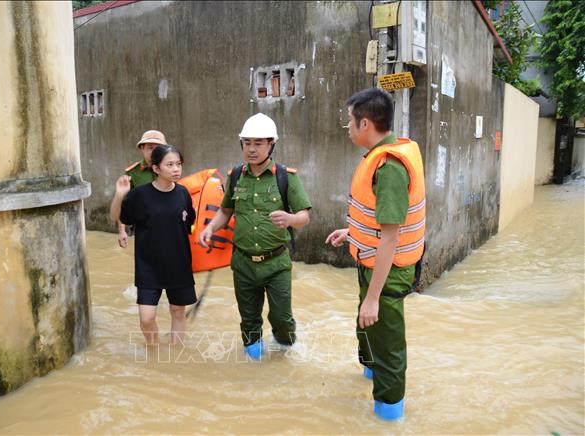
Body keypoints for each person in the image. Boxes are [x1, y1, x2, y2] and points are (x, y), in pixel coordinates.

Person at [325, 88, 425, 420]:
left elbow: (391, 238)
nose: (348, 127)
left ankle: (389, 416)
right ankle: (370, 379)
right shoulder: (383, 155)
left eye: (349, 121)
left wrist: (373, 298)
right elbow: (376, 222)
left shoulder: (390, 168)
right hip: (372, 264)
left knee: (387, 346)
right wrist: (351, 232)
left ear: (365, 123)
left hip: (388, 271)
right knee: (368, 332)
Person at [198, 113, 312, 360]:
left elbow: (304, 216)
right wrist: (210, 228)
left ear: (271, 144)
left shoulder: (286, 177)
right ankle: (254, 366)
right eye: (247, 143)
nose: (251, 149)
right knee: (249, 321)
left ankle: (284, 359)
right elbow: (225, 211)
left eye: (258, 143)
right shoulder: (236, 175)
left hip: (276, 264)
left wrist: (290, 219)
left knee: (281, 319)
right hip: (243, 264)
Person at [110, 145, 197, 344]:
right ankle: (153, 350)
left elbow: (190, 223)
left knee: (178, 311)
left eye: (178, 164)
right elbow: (116, 216)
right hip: (148, 266)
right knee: (147, 318)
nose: (176, 169)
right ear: (156, 169)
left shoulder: (183, 194)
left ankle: (176, 354)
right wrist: (120, 194)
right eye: (170, 165)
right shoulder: (140, 195)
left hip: (178, 264)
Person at [117, 130, 167, 248]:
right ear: (142, 148)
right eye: (150, 148)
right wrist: (121, 231)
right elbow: (122, 204)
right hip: (144, 228)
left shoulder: (171, 168)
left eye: (158, 148)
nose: (154, 152)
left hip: (168, 226)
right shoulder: (133, 173)